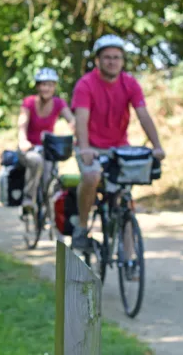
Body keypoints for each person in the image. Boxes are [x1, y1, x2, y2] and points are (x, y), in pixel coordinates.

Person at [71, 34, 166, 251]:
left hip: (119, 147)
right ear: (97, 60)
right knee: (91, 176)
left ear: (122, 61)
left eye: (116, 57)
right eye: (107, 57)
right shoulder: (85, 84)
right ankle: (82, 227)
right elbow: (81, 119)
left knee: (124, 197)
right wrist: (85, 148)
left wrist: (157, 146)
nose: (112, 61)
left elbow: (143, 115)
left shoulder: (130, 83)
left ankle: (130, 257)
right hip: (91, 146)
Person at [17, 67, 75, 209]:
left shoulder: (59, 103)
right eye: (43, 84)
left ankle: (49, 213)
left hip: (47, 149)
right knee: (36, 161)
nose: (46, 88)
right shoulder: (29, 102)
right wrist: (23, 140)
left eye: (50, 85)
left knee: (50, 177)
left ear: (54, 87)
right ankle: (28, 199)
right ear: (38, 86)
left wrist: (79, 136)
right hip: (29, 148)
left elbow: (72, 121)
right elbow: (22, 123)